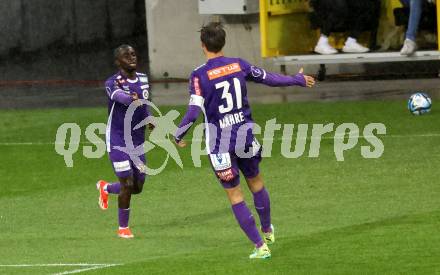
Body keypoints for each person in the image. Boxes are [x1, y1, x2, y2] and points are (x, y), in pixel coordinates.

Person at [174, 22, 315, 259]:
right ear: (223, 43)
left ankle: (261, 247)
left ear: (202, 45)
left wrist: (179, 133)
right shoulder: (237, 64)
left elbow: (193, 111)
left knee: (235, 194)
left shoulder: (199, 75)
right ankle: (268, 230)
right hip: (245, 135)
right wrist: (296, 80)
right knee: (256, 182)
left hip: (220, 144)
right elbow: (268, 78)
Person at [97, 44, 152, 239]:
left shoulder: (144, 79)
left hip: (137, 140)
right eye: (126, 55)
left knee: (137, 187)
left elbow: (144, 101)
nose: (131, 57)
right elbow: (118, 96)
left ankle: (105, 187)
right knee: (127, 182)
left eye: (133, 53)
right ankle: (123, 228)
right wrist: (130, 98)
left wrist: (149, 118)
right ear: (117, 62)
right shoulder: (112, 82)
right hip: (118, 138)